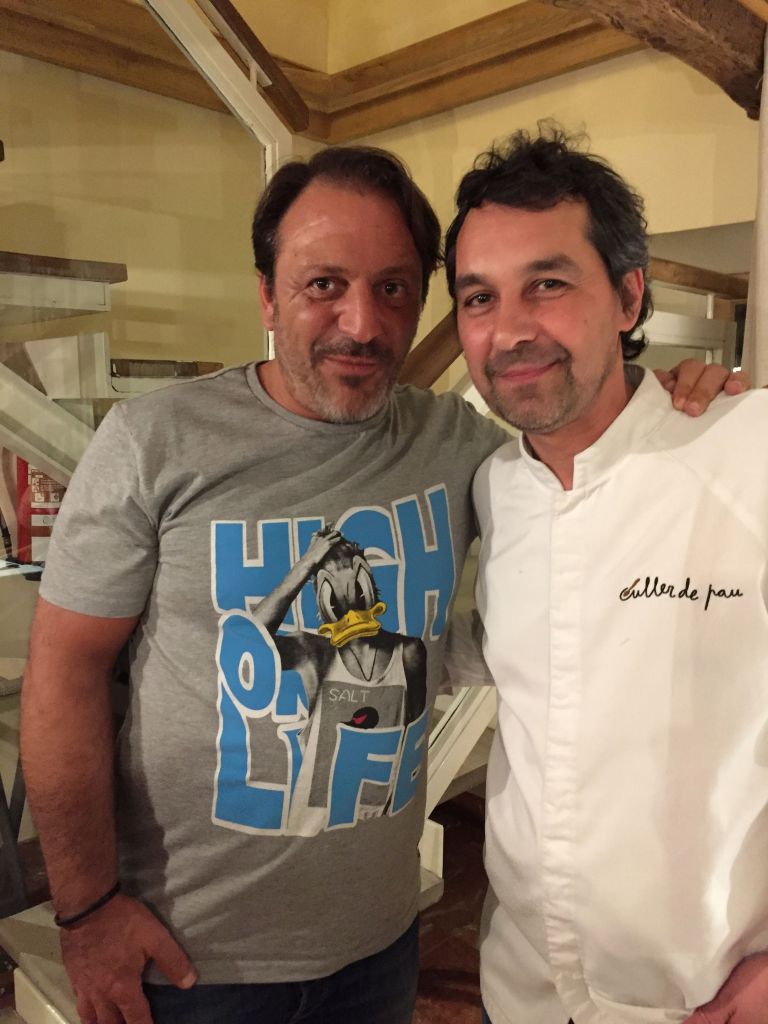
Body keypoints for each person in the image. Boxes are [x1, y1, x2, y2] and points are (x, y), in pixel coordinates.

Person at [20, 143, 739, 1024]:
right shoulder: (152, 442)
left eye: (394, 287)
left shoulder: (461, 447)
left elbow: (584, 461)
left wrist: (671, 406)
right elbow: (65, 670)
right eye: (324, 284)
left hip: (380, 946)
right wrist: (86, 909)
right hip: (189, 959)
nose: (362, 323)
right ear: (267, 294)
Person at [444, 126, 768, 1024]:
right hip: (523, 991)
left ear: (628, 296)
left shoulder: (748, 451)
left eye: (547, 284)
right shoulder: (494, 488)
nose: (511, 330)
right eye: (479, 298)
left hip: (706, 1001)